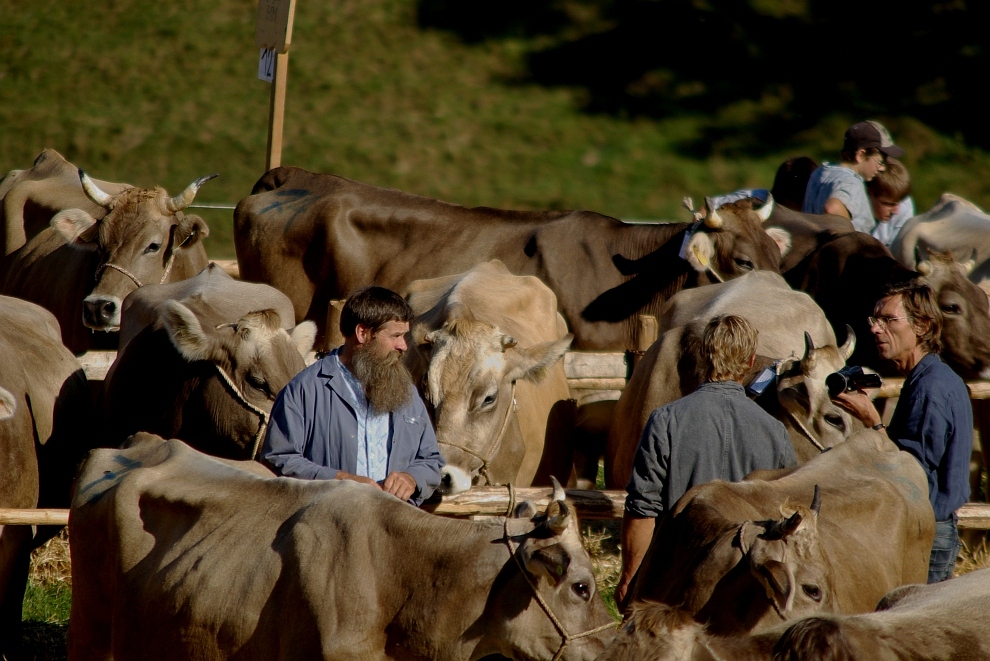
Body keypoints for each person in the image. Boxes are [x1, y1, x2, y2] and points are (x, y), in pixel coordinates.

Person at [615, 315, 797, 606]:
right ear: (750, 362)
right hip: (743, 585)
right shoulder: (774, 431)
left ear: (703, 355)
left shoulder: (666, 421)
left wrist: (630, 578)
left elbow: (643, 510)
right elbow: (785, 514)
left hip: (676, 582)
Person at [833, 282, 972, 582]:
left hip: (926, 532)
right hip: (930, 527)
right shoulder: (935, 378)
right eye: (874, 320)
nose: (875, 329)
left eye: (888, 320)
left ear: (921, 326)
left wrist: (871, 421)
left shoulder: (930, 388)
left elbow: (912, 476)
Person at [261, 286, 444, 506]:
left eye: (403, 336)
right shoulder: (304, 390)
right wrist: (341, 480)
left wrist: (412, 478)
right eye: (395, 336)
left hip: (393, 528)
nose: (403, 346)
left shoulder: (406, 390)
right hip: (328, 526)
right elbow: (278, 459)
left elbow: (431, 460)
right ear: (362, 333)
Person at [803, 121, 905, 231]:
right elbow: (832, 208)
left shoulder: (820, 172)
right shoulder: (851, 182)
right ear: (861, 155)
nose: (882, 168)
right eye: (880, 162)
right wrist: (853, 238)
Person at [865, 157, 915, 248]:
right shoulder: (853, 205)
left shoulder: (905, 206)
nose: (896, 211)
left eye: (899, 202)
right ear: (870, 193)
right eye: (888, 204)